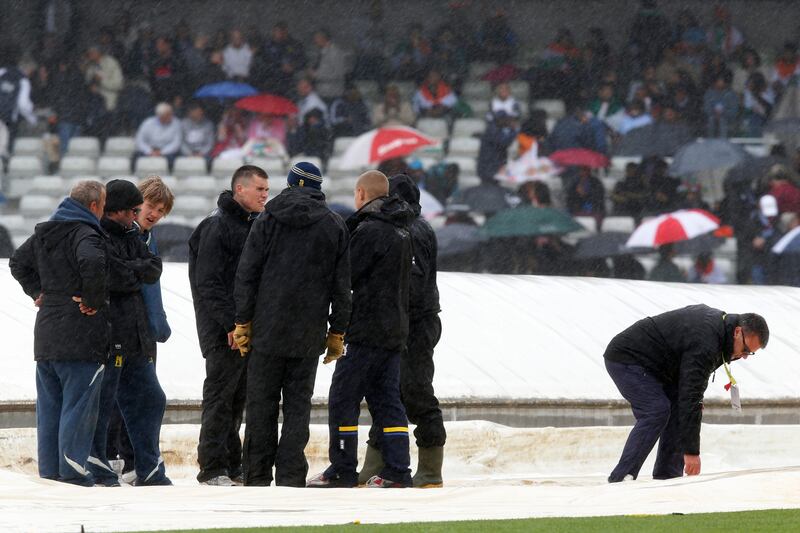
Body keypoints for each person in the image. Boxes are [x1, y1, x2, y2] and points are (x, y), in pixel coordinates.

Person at [233, 162, 351, 487]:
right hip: (308, 334)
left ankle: (256, 477)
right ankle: (290, 478)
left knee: (261, 408)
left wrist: (243, 321)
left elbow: (247, 273)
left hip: (267, 330)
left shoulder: (267, 219)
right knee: (298, 409)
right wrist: (337, 331)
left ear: (289, 183)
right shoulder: (334, 225)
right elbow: (342, 287)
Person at [308, 170, 414, 489]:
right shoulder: (404, 231)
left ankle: (342, 468)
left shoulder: (369, 231)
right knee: (387, 401)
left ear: (360, 194)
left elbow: (347, 276)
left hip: (365, 329)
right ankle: (398, 470)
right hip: (394, 330)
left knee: (343, 398)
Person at [9, 181, 108, 486]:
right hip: (79, 332)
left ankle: (50, 472)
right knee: (78, 405)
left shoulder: (44, 232)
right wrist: (92, 300)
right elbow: (91, 261)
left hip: (47, 331)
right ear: (94, 206)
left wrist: (38, 292)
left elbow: (17, 263)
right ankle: (73, 472)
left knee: (50, 406)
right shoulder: (84, 232)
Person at [603, 305, 768, 482]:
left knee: (680, 409)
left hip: (658, 367)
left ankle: (668, 477)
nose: (744, 357)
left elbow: (689, 395)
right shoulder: (707, 340)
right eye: (745, 350)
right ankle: (622, 477)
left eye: (750, 353)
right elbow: (691, 395)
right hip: (627, 358)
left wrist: (692, 406)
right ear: (737, 332)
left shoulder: (721, 335)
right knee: (657, 410)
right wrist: (691, 452)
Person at [358, 174, 446, 488]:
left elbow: (413, 284)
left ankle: (428, 469)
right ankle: (384, 464)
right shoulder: (417, 227)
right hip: (413, 321)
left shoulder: (411, 230)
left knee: (413, 391)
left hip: (413, 323)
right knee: (391, 392)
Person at [189, 165, 270, 486]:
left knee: (238, 399)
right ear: (240, 189)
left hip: (243, 328)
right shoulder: (217, 226)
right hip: (223, 331)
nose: (266, 194)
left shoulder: (252, 225)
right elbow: (209, 284)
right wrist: (231, 324)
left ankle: (232, 464)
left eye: (267, 189)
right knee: (220, 398)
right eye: (260, 189)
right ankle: (211, 467)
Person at [87, 179, 170, 487]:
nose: (141, 216)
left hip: (135, 335)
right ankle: (98, 464)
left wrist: (133, 270)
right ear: (117, 210)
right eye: (137, 209)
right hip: (111, 335)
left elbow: (153, 268)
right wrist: (136, 271)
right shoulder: (96, 236)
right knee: (105, 404)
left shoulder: (132, 234)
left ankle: (147, 467)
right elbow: (120, 277)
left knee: (152, 398)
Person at [309, 28, 351, 101]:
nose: (314, 41)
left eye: (316, 38)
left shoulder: (335, 52)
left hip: (332, 94)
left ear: (323, 38)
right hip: (322, 92)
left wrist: (317, 75)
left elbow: (339, 74)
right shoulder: (322, 51)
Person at [134, 102, 182, 167]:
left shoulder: (176, 123)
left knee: (175, 158)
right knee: (135, 157)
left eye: (171, 114)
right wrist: (149, 151)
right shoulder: (147, 123)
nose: (171, 116)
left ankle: (169, 176)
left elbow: (176, 143)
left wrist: (161, 152)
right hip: (149, 150)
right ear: (160, 116)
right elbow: (139, 140)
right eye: (168, 114)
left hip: (167, 152)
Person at [84, 45, 124, 112]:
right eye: (88, 53)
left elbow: (118, 85)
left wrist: (101, 80)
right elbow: (88, 82)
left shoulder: (110, 62)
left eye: (91, 53)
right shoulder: (91, 66)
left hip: (110, 104)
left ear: (97, 52)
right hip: (95, 103)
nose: (89, 56)